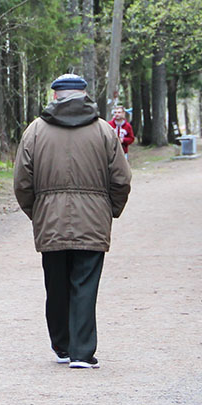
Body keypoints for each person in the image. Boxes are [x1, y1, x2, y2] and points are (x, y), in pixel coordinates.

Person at [14, 73, 132, 369]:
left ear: (55, 96)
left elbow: (22, 182)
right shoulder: (104, 131)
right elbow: (121, 179)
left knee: (55, 284)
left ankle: (62, 346)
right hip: (92, 220)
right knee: (85, 284)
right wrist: (109, 211)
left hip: (50, 220)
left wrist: (37, 212)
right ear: (84, 96)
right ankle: (82, 352)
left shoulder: (35, 131)